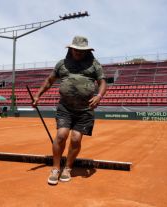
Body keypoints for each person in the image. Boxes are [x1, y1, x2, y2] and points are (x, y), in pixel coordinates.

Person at [32, 36, 107, 185]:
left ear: (86, 51)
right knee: (61, 135)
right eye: (76, 49)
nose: (78, 52)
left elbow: (102, 82)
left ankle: (67, 168)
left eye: (82, 50)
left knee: (75, 138)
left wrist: (99, 95)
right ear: (71, 49)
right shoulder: (62, 64)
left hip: (85, 109)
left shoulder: (94, 64)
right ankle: (55, 169)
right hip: (65, 107)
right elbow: (49, 81)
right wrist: (38, 95)